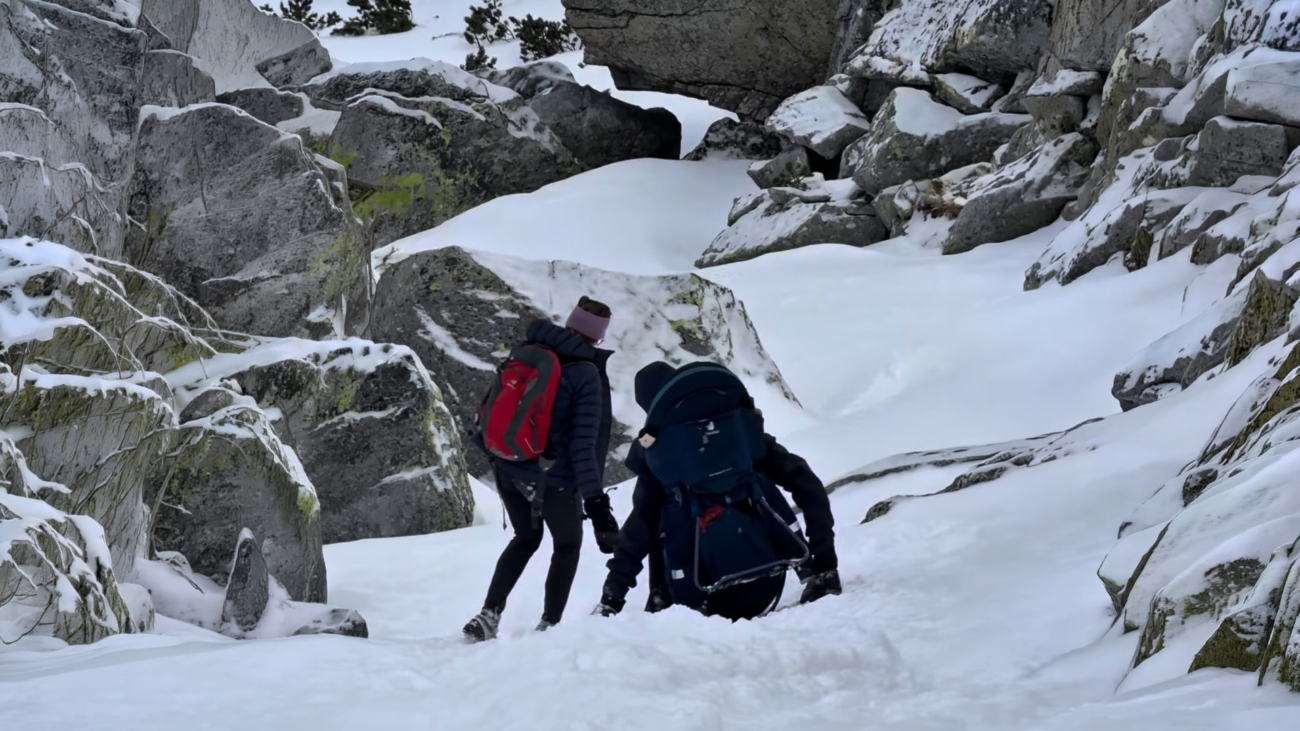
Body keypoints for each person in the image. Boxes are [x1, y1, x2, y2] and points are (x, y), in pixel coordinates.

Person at [595, 361, 840, 621]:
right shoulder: (742, 438)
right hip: (768, 583)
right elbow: (807, 484)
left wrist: (611, 600)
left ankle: (660, 599)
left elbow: (636, 536)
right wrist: (825, 564)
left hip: (702, 603)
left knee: (658, 513)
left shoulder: (659, 462)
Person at [463, 297, 621, 641]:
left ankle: (488, 614)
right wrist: (597, 505)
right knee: (567, 546)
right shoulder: (584, 374)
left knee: (526, 537)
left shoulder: (528, 351)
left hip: (508, 464)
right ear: (597, 338)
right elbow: (582, 446)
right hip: (553, 479)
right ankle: (548, 627)